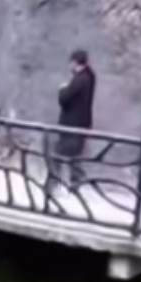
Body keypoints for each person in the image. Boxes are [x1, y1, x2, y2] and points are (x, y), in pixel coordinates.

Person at [49, 47, 96, 191]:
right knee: (74, 158)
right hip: (80, 125)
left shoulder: (80, 80)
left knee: (57, 155)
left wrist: (63, 89)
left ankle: (54, 185)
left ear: (75, 63)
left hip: (72, 126)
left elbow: (65, 98)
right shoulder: (89, 77)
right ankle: (75, 185)